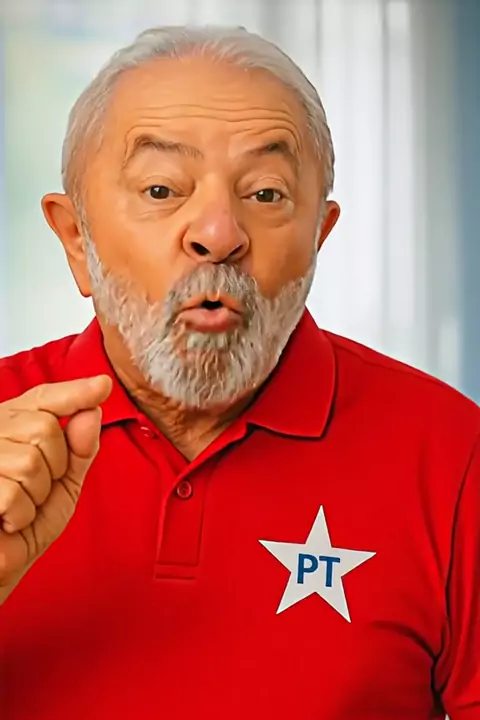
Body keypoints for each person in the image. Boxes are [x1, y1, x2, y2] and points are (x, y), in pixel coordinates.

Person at [0, 25, 478, 720]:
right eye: (162, 188)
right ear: (77, 238)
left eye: (266, 194)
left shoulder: (453, 452)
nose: (218, 235)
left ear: (319, 237)